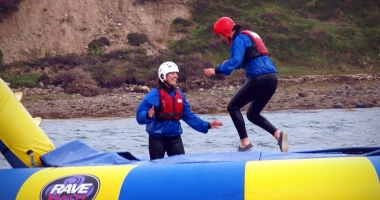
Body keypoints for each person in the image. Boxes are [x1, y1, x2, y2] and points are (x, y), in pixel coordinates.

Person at [204, 17, 288, 152]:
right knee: (253, 114)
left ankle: (245, 144)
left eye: (220, 35)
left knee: (233, 107)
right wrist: (229, 65)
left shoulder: (238, 39)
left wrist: (217, 70)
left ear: (226, 31)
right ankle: (279, 136)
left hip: (260, 78)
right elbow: (248, 59)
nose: (220, 39)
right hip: (273, 78)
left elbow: (236, 61)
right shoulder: (246, 37)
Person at [136, 61, 223, 160]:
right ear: (163, 76)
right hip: (157, 138)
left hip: (175, 138)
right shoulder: (154, 95)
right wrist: (148, 115)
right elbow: (139, 116)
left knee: (181, 165)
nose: (176, 76)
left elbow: (189, 116)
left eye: (176, 73)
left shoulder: (180, 95)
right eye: (172, 73)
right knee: (157, 167)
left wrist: (207, 125)